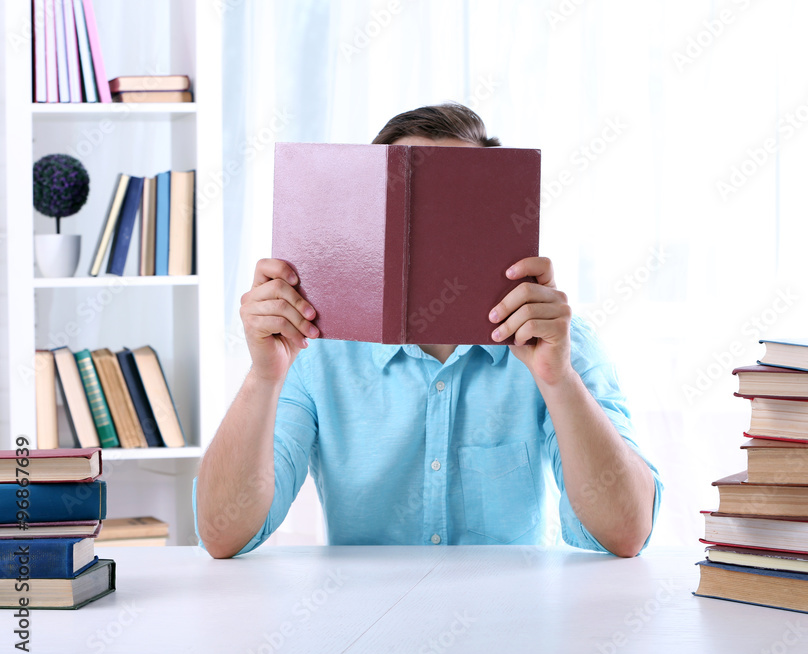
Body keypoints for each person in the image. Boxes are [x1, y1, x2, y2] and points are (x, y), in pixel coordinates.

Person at [194, 103, 662, 558]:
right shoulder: (315, 348)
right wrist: (263, 377)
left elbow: (626, 534)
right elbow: (223, 535)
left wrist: (559, 381)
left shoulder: (558, 342)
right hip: (361, 623)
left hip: (513, 623)